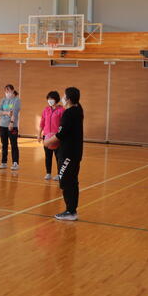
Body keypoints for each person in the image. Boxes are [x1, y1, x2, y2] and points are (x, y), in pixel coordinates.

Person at [45, 87, 84, 221]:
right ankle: (72, 210)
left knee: (66, 182)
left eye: (64, 96)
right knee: (73, 181)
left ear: (68, 99)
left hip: (68, 154)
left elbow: (60, 134)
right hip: (76, 152)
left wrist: (48, 142)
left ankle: (70, 211)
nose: (62, 98)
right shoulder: (79, 110)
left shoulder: (68, 114)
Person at [38, 90, 65, 181]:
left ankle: (59, 174)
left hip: (56, 137)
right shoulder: (46, 110)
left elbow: (63, 124)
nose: (49, 100)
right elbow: (42, 122)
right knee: (48, 156)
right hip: (46, 136)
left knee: (58, 156)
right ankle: (48, 173)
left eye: (51, 98)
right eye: (48, 99)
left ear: (56, 99)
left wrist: (59, 135)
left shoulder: (62, 110)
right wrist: (39, 134)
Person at [0, 84, 21, 171]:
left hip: (12, 126)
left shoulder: (16, 100)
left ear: (13, 90)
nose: (7, 93)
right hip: (2, 125)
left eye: (9, 91)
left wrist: (11, 123)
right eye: (6, 91)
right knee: (4, 144)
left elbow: (14, 112)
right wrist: (6, 113)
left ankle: (15, 163)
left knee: (13, 144)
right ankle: (4, 162)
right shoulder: (3, 100)